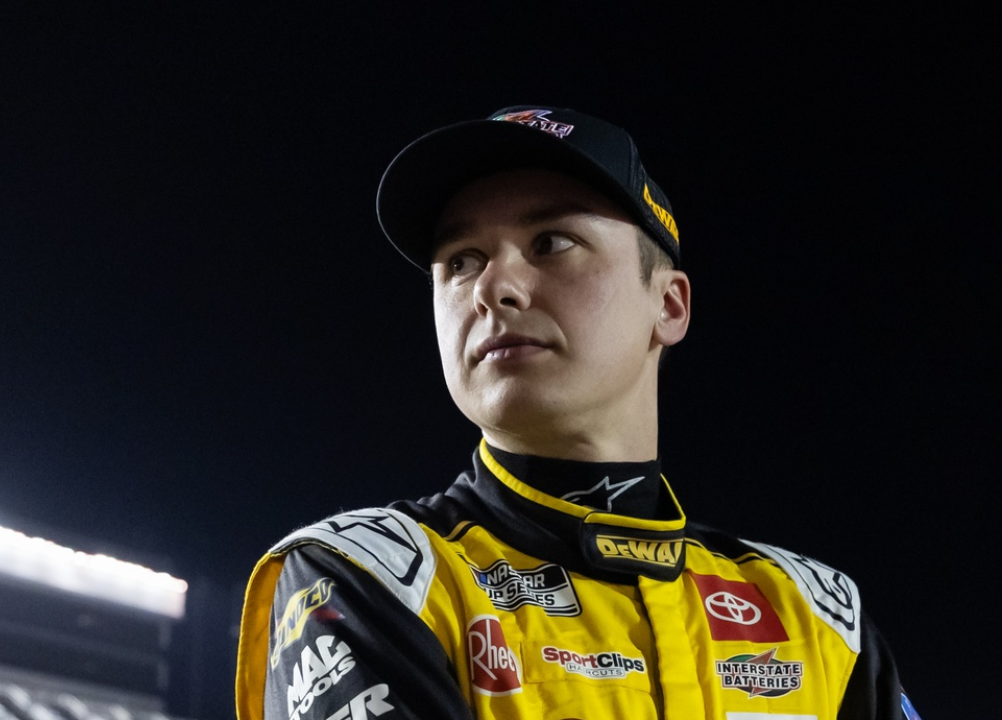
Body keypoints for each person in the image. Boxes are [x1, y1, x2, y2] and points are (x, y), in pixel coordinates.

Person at [235, 106, 922, 720]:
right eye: (462, 260)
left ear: (669, 305)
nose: (494, 288)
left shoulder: (818, 614)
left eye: (551, 243)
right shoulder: (366, 576)